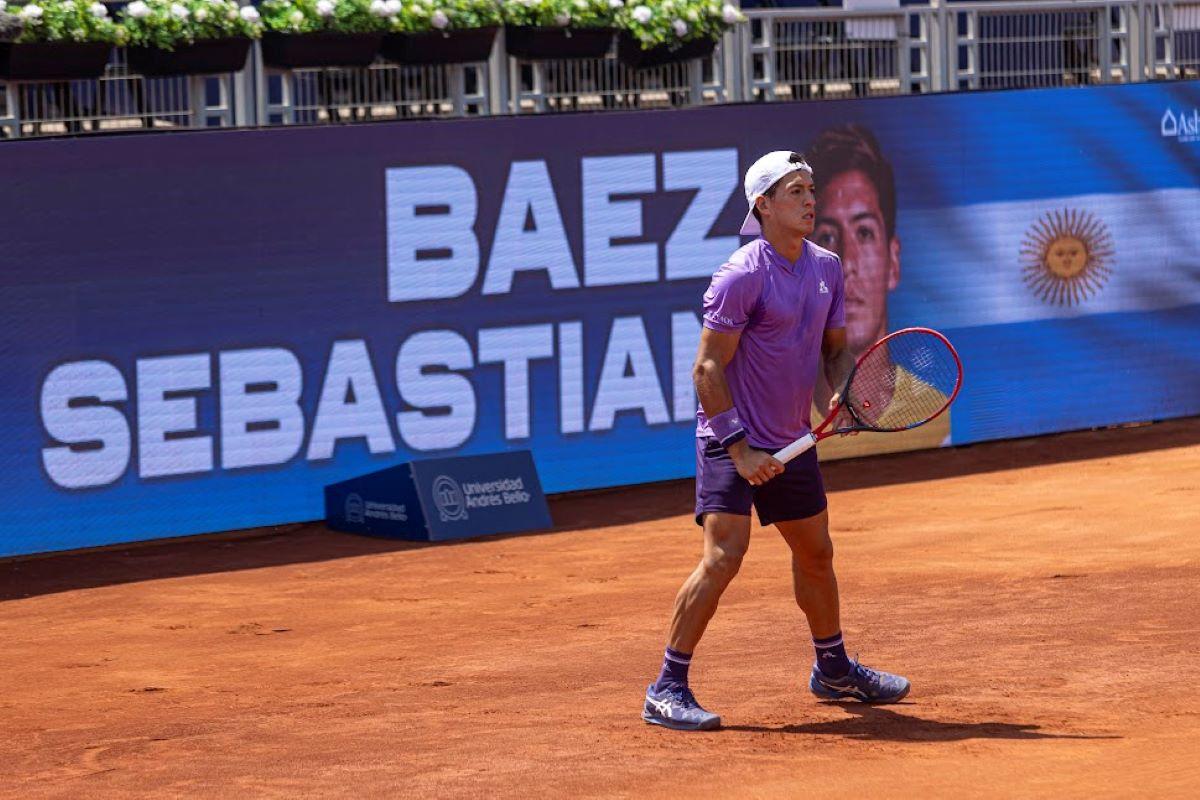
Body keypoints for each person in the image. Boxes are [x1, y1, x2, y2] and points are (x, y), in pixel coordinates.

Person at [641, 151, 910, 732]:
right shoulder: (741, 275)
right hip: (730, 436)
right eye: (795, 191)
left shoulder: (827, 268)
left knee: (816, 553)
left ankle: (833, 668)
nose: (810, 200)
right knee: (723, 557)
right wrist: (740, 450)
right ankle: (667, 686)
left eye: (811, 188)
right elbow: (707, 370)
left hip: (792, 439)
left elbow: (835, 350)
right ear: (762, 205)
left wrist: (843, 394)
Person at [805, 124, 948, 458]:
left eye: (865, 233)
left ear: (893, 261)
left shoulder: (936, 418)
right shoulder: (776, 417)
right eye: (826, 237)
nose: (848, 262)